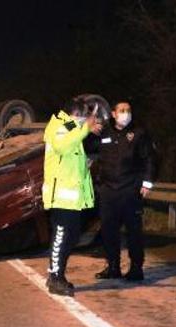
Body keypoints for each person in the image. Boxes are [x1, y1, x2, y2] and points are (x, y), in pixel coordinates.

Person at [86, 100, 156, 281]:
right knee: (109, 231)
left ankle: (136, 268)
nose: (126, 113)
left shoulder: (139, 133)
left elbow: (149, 158)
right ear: (113, 114)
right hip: (108, 191)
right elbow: (86, 147)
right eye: (122, 110)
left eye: (129, 110)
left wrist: (147, 183)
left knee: (134, 231)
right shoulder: (104, 132)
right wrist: (87, 129)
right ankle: (113, 267)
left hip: (131, 190)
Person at [43, 98, 102, 296]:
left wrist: (86, 162)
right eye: (83, 116)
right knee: (61, 236)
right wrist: (84, 128)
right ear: (75, 114)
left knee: (72, 236)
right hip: (61, 195)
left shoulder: (69, 126)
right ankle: (55, 278)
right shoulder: (58, 125)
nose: (85, 120)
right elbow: (63, 146)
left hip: (72, 197)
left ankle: (57, 274)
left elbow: (72, 155)